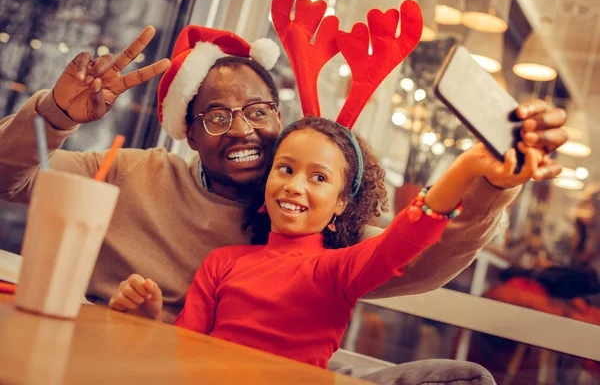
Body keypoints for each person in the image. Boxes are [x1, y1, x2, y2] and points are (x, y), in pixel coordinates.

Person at [0, 25, 567, 323]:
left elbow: (417, 261)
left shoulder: (303, 218)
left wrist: (492, 185)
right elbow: (12, 181)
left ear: (280, 117)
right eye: (217, 116)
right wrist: (55, 116)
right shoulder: (124, 172)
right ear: (189, 132)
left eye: (258, 111)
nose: (243, 130)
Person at [108, 115, 545, 369]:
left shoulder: (338, 270)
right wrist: (149, 323)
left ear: (340, 204)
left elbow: (409, 235)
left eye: (318, 178)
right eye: (285, 168)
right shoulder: (222, 261)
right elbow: (185, 350)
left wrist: (467, 167)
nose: (295, 186)